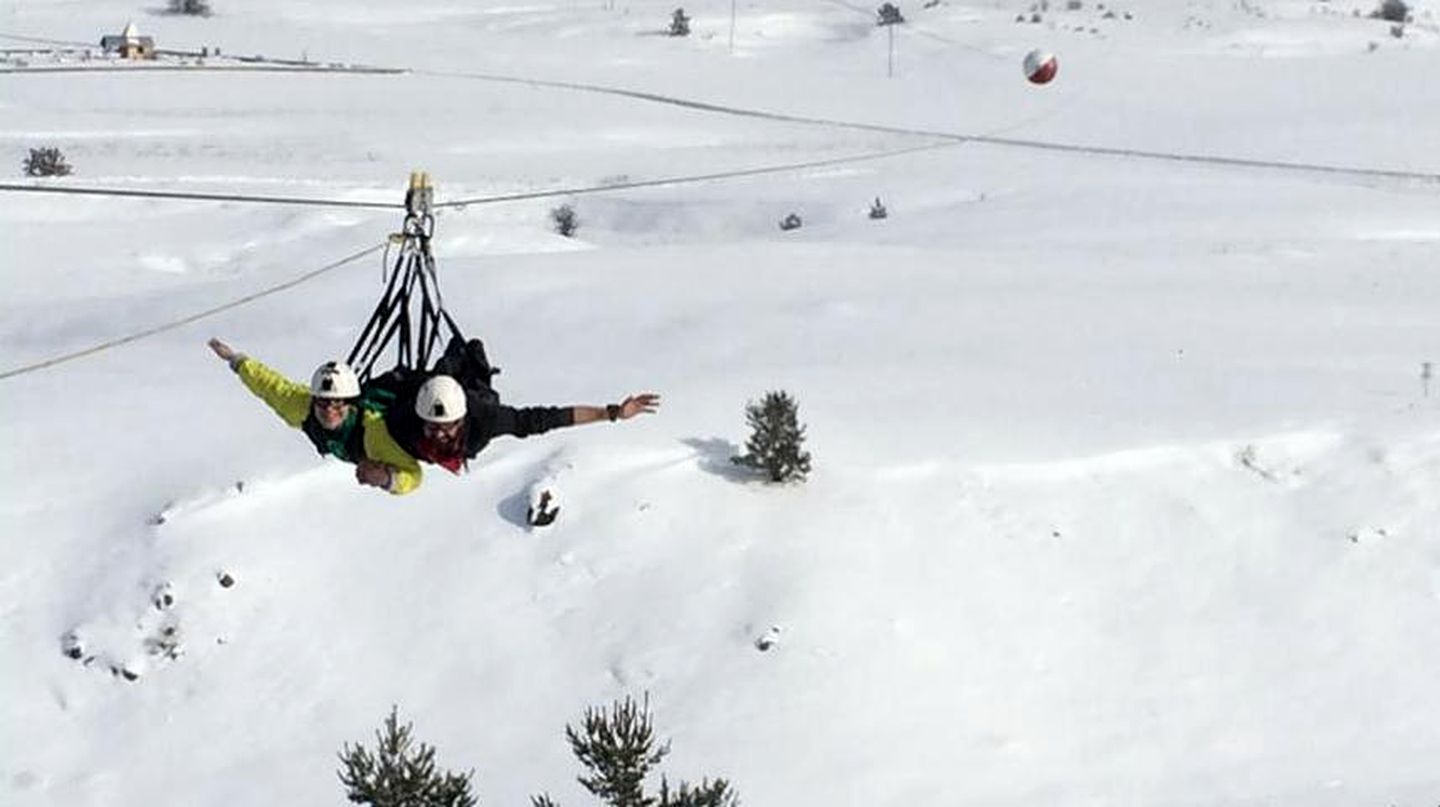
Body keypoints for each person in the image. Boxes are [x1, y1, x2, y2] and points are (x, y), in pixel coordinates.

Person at [383, 337, 660, 474]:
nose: (440, 434)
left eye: (447, 427)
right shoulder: (403, 419)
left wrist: (611, 413)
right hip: (421, 392)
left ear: (462, 422)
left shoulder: (486, 421)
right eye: (433, 428)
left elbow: (546, 419)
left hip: (473, 395)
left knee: (461, 372)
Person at [207, 338, 423, 495]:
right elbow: (270, 387)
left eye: (338, 403)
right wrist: (237, 361)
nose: (329, 409)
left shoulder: (373, 432)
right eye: (323, 402)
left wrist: (387, 478)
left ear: (351, 403)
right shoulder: (303, 409)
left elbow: (413, 476)